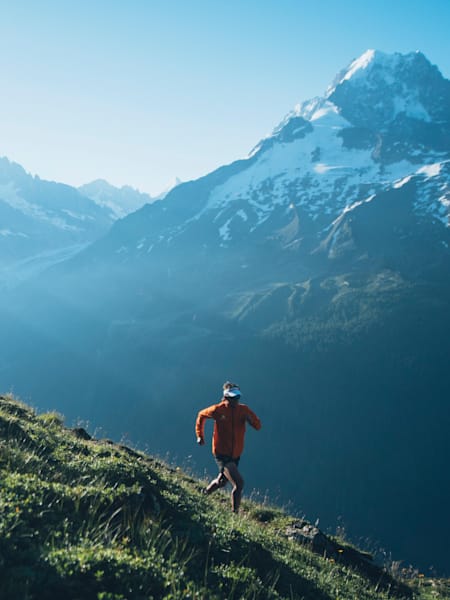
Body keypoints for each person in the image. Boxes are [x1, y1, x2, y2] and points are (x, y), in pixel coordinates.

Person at [195, 381, 261, 513]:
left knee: (222, 482)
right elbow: (201, 415)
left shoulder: (244, 410)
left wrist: (251, 421)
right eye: (232, 398)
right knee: (239, 483)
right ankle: (234, 513)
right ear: (226, 397)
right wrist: (200, 435)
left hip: (235, 454)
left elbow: (258, 426)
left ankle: (203, 494)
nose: (235, 400)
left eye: (237, 397)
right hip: (222, 453)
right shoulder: (217, 410)